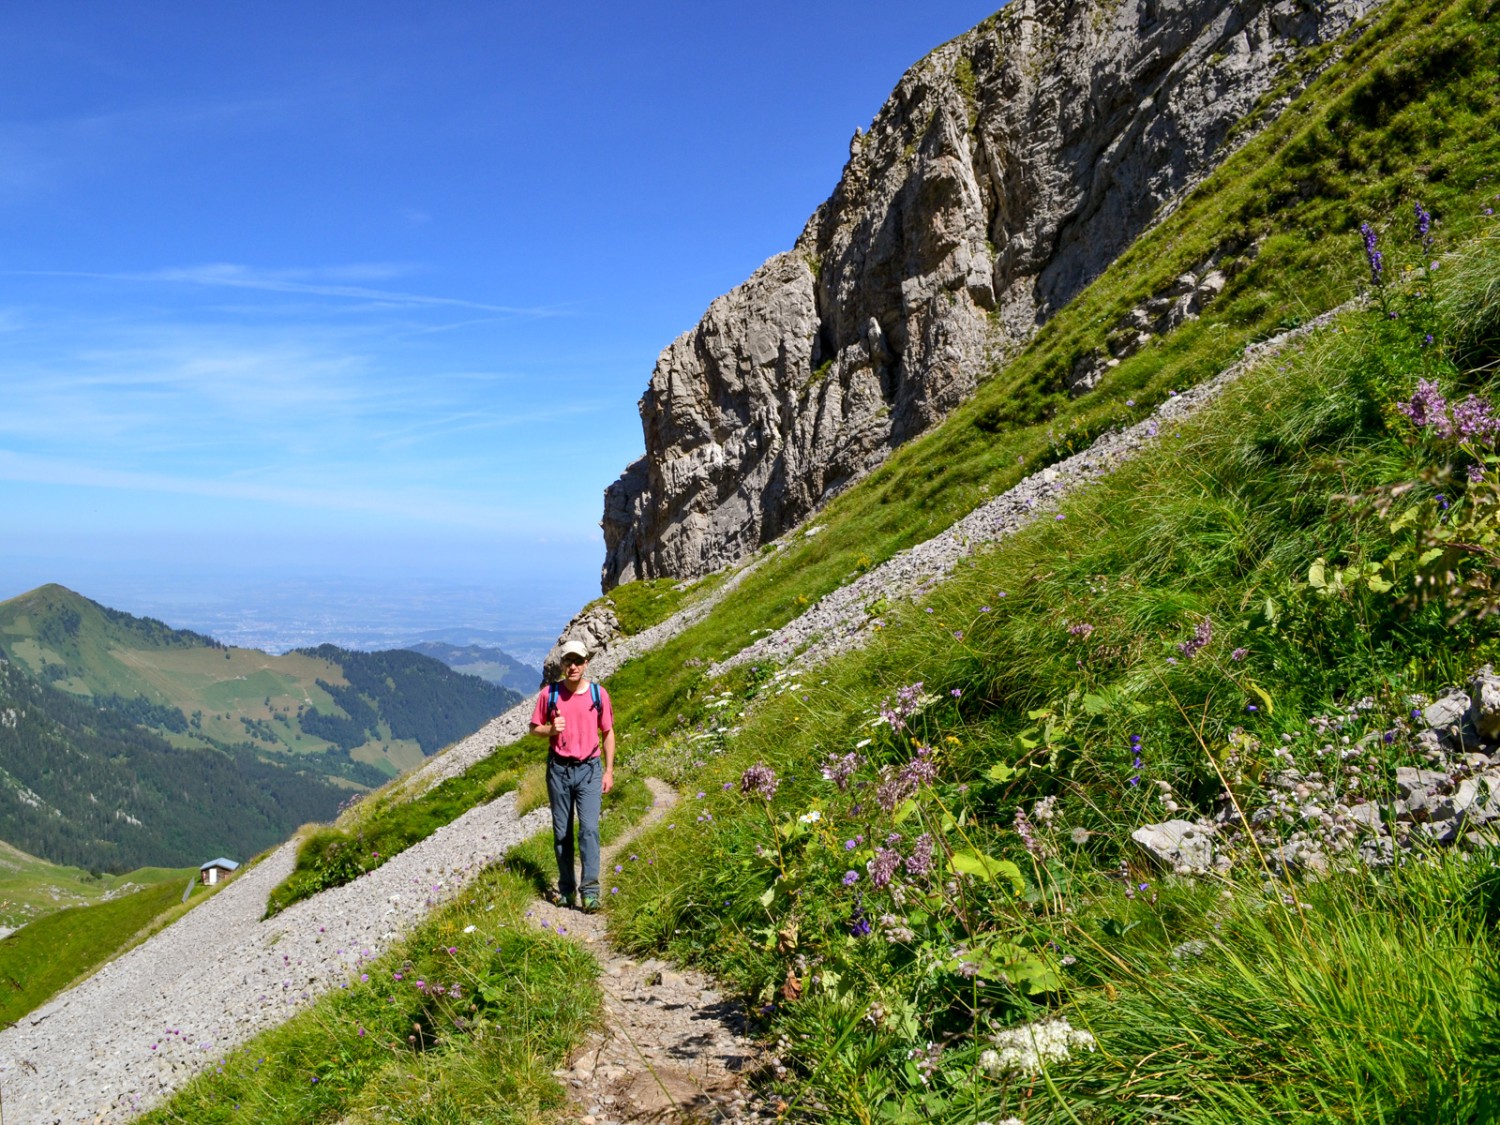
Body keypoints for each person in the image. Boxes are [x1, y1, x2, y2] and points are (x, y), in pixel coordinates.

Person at [528, 639, 615, 910]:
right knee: (561, 832)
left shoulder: (598, 695)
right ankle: (567, 890)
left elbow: (608, 732)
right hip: (559, 771)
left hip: (590, 769)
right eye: (568, 661)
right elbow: (534, 728)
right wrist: (551, 730)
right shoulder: (549, 695)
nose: (573, 666)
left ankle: (590, 891)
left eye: (578, 661)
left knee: (589, 829)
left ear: (586, 663)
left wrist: (609, 771)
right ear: (562, 664)